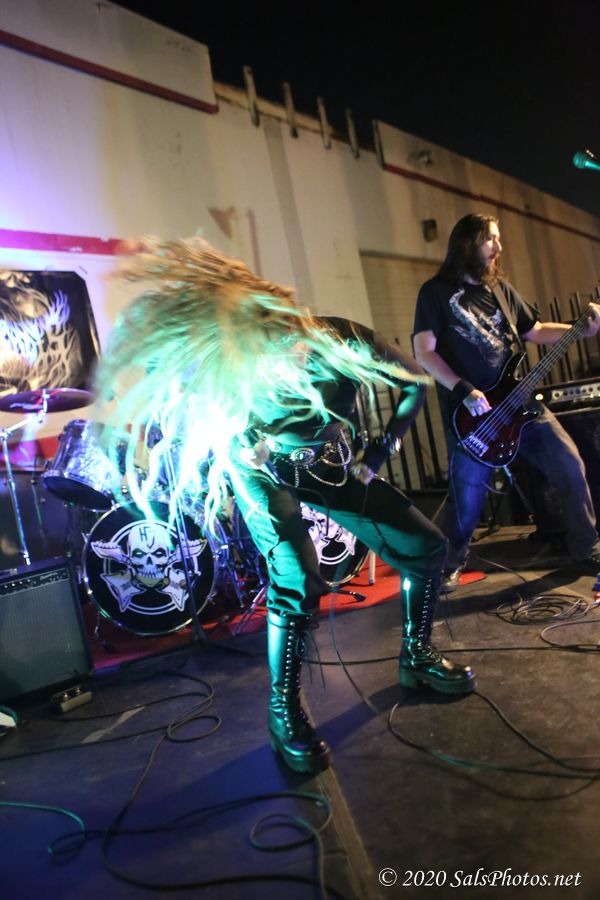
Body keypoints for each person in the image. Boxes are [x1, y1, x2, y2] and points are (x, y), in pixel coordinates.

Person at [95, 237, 476, 777]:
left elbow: (413, 385)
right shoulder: (238, 362)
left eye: (291, 347)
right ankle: (283, 712)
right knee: (297, 574)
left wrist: (381, 450)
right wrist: (238, 441)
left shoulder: (345, 339)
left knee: (426, 546)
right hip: (262, 473)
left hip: (331, 467)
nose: (283, 361)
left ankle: (416, 657)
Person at [413, 213, 600, 590]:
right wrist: (463, 390)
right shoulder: (435, 293)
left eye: (498, 239)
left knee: (569, 465)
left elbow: (535, 330)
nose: (498, 247)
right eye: (491, 239)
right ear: (468, 243)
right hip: (475, 418)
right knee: (467, 501)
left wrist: (580, 329)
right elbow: (424, 351)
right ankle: (450, 563)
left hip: (522, 406)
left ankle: (587, 547)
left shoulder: (501, 290)